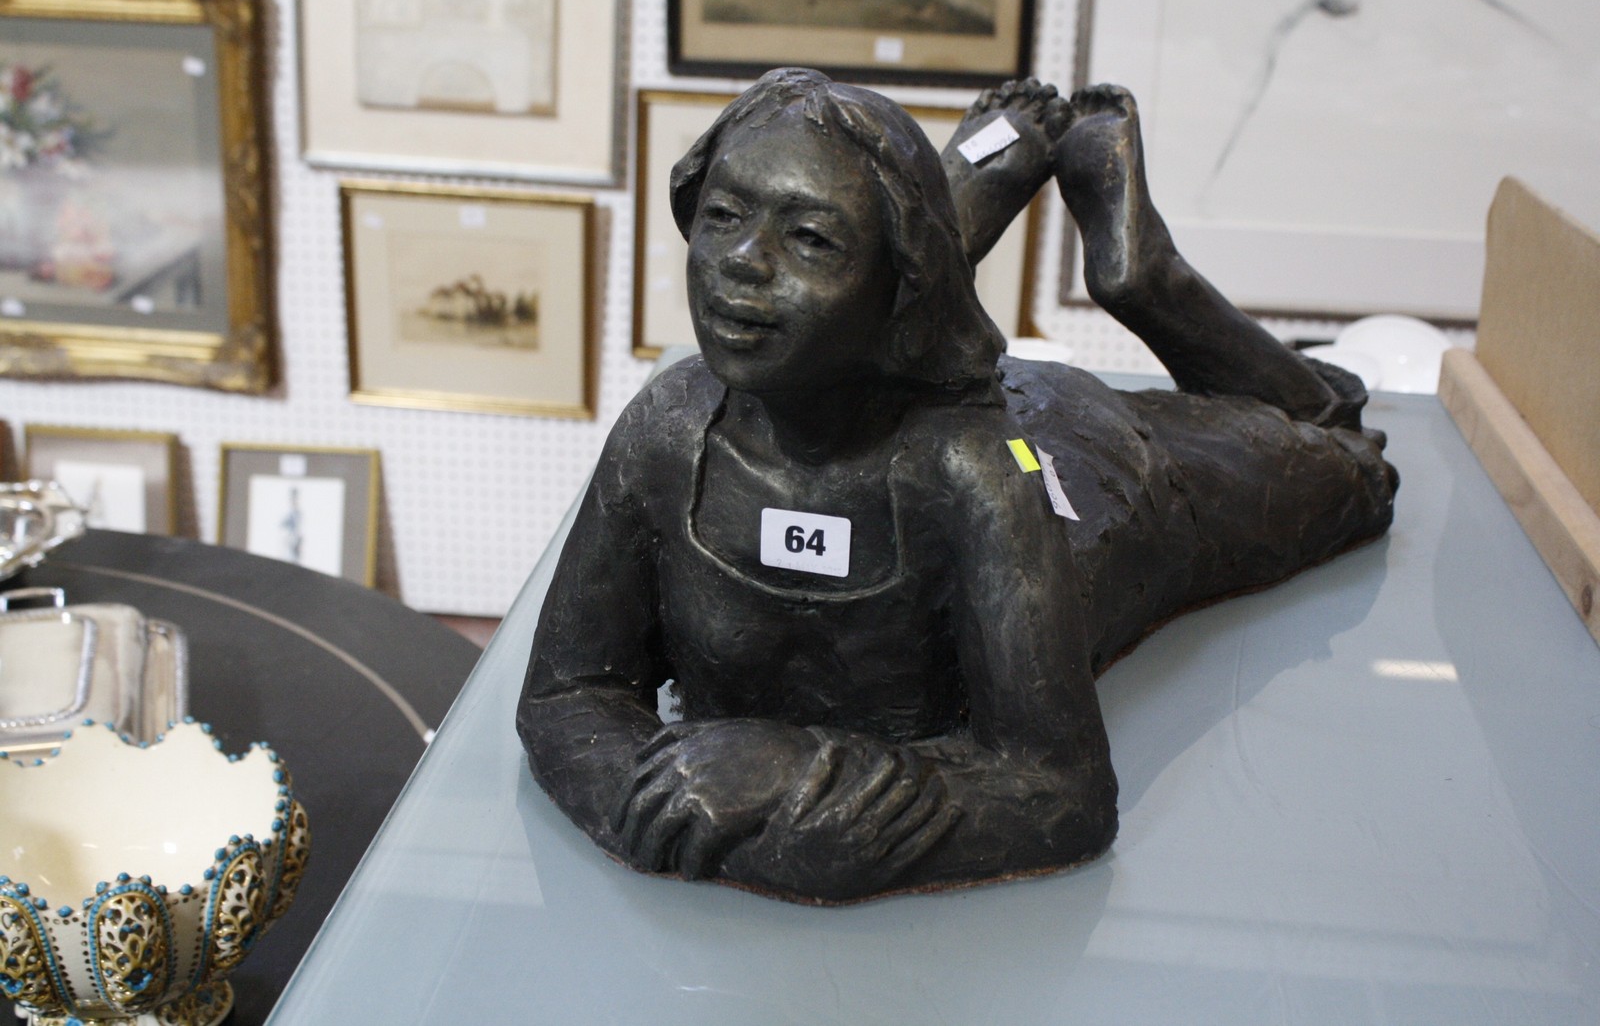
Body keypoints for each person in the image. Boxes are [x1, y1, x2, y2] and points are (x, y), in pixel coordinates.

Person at [517, 68, 1396, 904]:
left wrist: (797, 777)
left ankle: (1139, 273)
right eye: (723, 215)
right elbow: (565, 700)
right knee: (853, 292)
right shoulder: (669, 428)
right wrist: (659, 810)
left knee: (1345, 462)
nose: (740, 263)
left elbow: (1063, 795)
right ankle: (967, 181)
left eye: (807, 236)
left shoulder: (973, 478)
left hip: (1098, 475)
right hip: (913, 358)